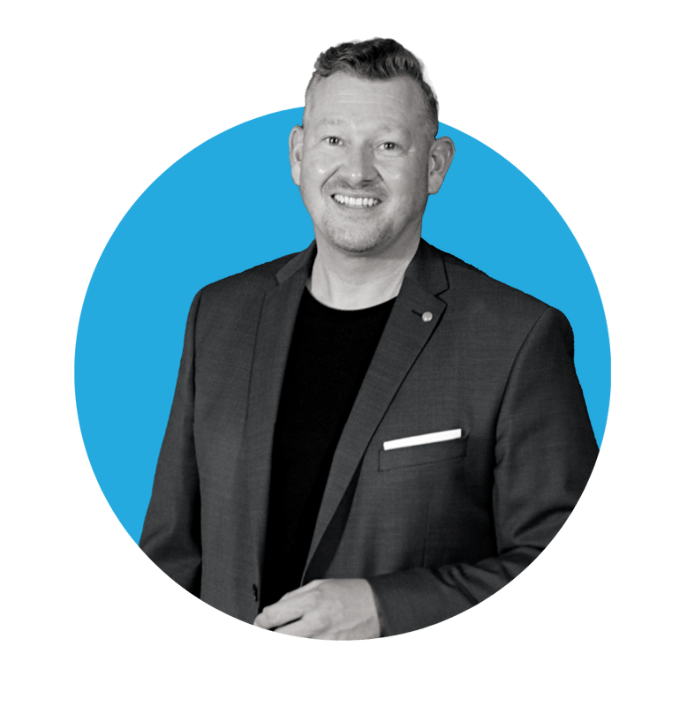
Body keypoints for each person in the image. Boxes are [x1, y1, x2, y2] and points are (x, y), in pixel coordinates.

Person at [139, 36, 599, 641]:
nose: (356, 171)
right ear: (298, 155)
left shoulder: (519, 337)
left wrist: (386, 609)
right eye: (333, 140)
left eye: (388, 145)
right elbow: (172, 550)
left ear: (435, 165)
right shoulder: (218, 313)